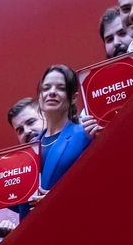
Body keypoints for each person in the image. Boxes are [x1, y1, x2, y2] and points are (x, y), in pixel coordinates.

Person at [30, 65, 93, 194]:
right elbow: (24, 202)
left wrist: (56, 198)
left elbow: (95, 182)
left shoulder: (85, 135)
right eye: (46, 88)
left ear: (74, 98)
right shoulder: (31, 148)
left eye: (61, 88)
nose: (52, 92)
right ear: (40, 97)